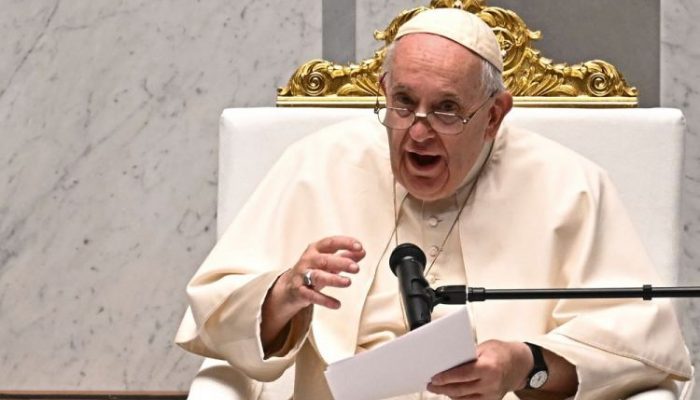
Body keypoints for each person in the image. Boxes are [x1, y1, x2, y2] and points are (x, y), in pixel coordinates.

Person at [176, 7, 692, 400]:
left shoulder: (569, 185)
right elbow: (214, 316)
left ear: (494, 115)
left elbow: (640, 343)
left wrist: (525, 363)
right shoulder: (318, 164)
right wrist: (280, 296)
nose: (417, 131)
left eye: (447, 110)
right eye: (403, 103)